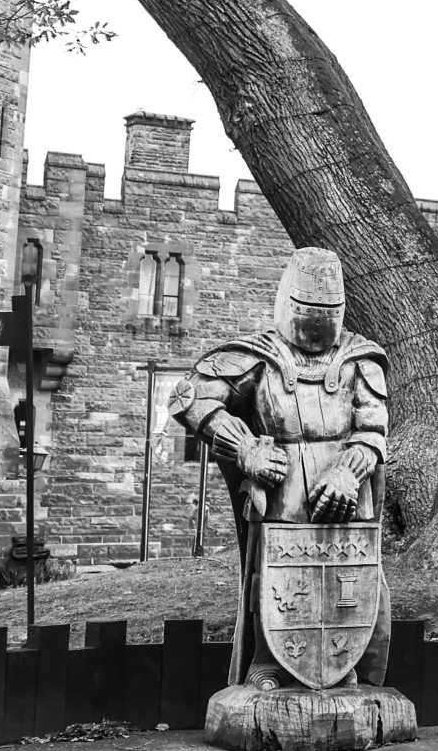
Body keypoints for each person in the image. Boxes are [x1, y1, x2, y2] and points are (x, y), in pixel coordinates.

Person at [168, 247, 391, 690]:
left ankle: (343, 663)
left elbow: (373, 430)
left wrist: (349, 470)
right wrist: (244, 446)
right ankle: (267, 658)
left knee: (347, 578)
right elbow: (189, 399)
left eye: (327, 312)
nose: (317, 321)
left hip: (344, 494)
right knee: (271, 577)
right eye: (308, 310)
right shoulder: (259, 356)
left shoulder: (359, 360)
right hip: (281, 489)